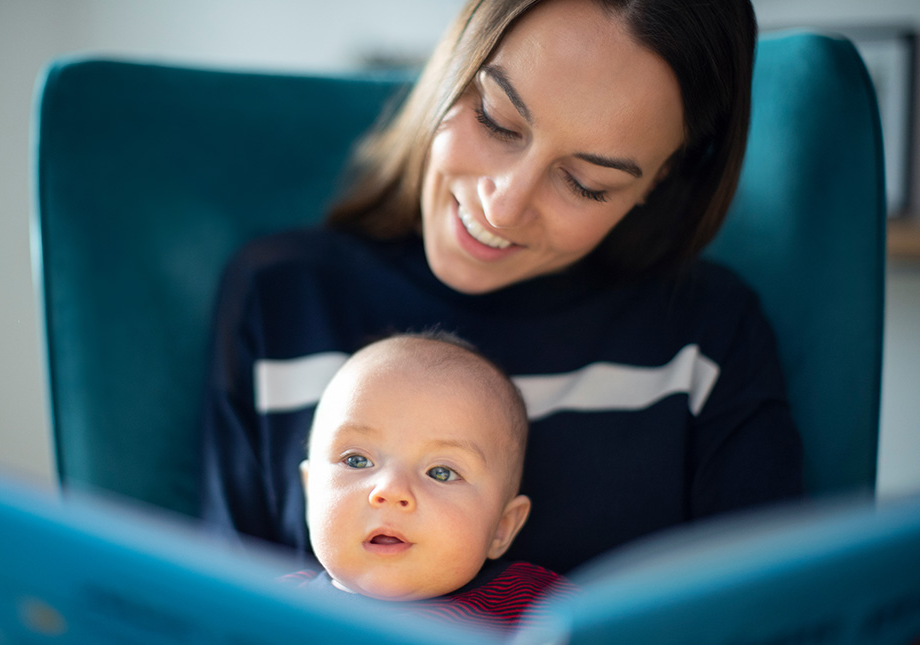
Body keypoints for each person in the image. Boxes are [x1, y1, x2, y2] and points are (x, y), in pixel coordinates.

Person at [200, 0, 804, 575]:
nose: (504, 206)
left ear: (659, 181)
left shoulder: (706, 336)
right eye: (496, 120)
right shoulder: (281, 298)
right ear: (454, 66)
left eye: (586, 183)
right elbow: (219, 614)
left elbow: (776, 619)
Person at [285, 332, 575, 632]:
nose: (391, 490)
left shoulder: (538, 608)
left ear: (502, 526)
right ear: (310, 493)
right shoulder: (269, 607)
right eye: (356, 460)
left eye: (441, 473)